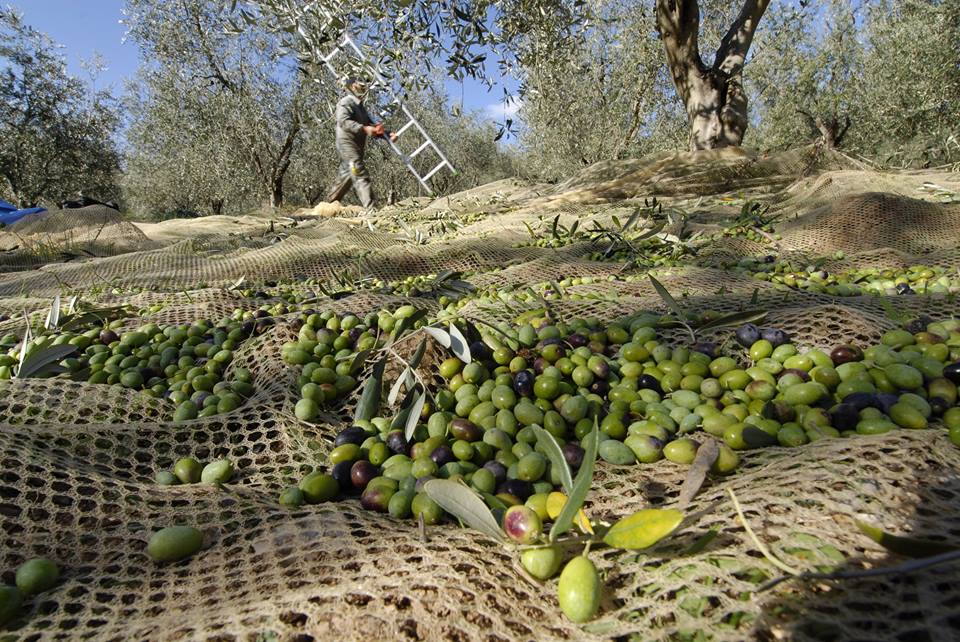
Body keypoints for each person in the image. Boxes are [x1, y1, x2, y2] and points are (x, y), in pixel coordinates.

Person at [326, 76, 397, 211]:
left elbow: (371, 127)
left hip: (357, 147)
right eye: (360, 85)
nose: (364, 88)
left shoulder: (361, 107)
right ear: (352, 86)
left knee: (346, 176)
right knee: (358, 171)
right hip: (347, 144)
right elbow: (343, 122)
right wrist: (363, 128)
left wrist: (388, 135)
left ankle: (328, 206)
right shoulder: (346, 102)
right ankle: (371, 210)